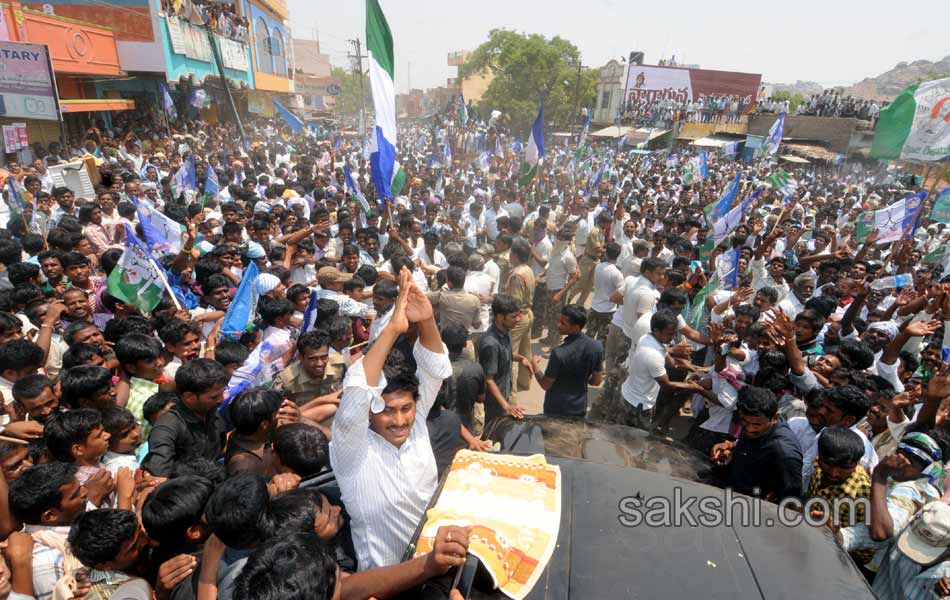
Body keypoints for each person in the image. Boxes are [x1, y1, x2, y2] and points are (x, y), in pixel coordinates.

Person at [330, 267, 452, 569]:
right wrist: (393, 328)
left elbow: (436, 369)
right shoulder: (351, 452)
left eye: (406, 408)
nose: (399, 421)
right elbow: (358, 392)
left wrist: (426, 319)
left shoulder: (417, 425)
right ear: (370, 411)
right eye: (386, 410)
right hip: (384, 584)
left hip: (434, 570)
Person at [710, 385, 804, 502]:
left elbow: (791, 503)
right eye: (744, 421)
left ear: (775, 418)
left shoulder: (785, 453)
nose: (749, 429)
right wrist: (731, 448)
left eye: (756, 425)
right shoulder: (757, 426)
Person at [141, 359, 229, 478]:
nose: (221, 400)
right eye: (214, 397)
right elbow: (158, 476)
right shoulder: (167, 427)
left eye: (222, 393)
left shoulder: (211, 413)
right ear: (189, 397)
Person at [532, 305, 603, 418]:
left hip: (555, 408)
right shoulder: (596, 347)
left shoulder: (559, 353)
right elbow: (596, 381)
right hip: (579, 407)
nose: (558, 325)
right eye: (559, 321)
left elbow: (545, 384)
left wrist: (534, 365)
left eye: (563, 323)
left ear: (576, 327)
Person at [477, 294, 531, 425]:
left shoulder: (506, 330)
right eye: (513, 316)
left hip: (505, 392)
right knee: (495, 430)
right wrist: (506, 406)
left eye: (518, 315)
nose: (518, 319)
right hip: (495, 400)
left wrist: (521, 358)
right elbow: (488, 379)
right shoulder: (491, 344)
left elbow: (505, 355)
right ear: (500, 317)